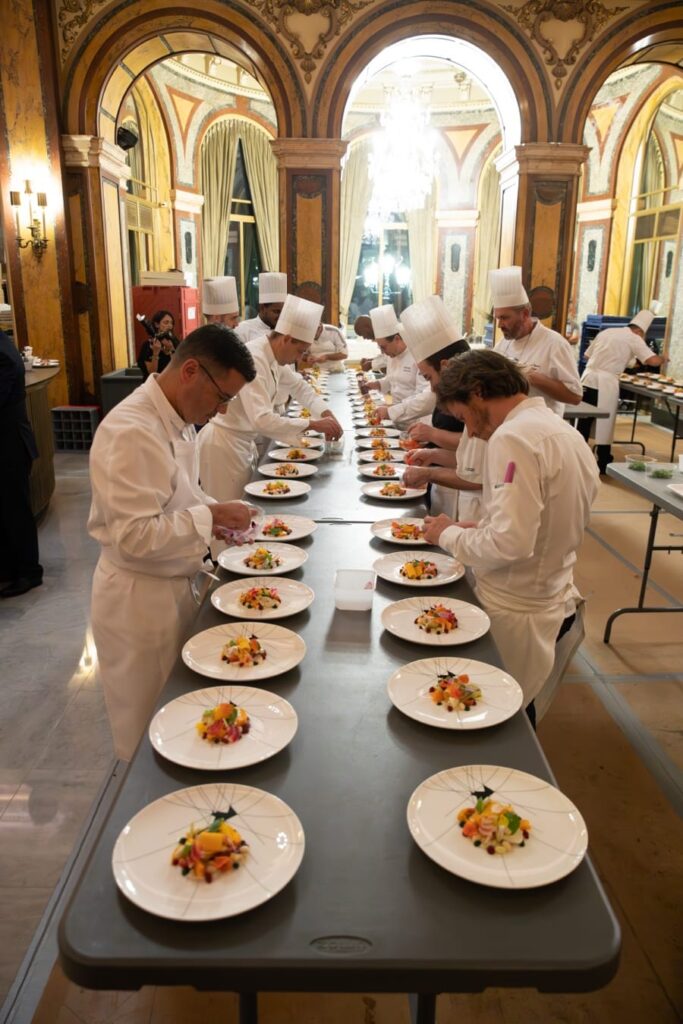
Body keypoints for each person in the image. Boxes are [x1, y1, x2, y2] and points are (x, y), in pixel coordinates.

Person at [88, 324, 257, 760]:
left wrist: (215, 511)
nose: (221, 411)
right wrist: (208, 517)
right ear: (191, 371)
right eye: (221, 397)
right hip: (138, 603)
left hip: (173, 582)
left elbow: (180, 495)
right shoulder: (132, 430)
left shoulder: (178, 418)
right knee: (146, 735)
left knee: (182, 720)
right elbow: (133, 536)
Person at [423, 349, 599, 719]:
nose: (470, 430)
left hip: (515, 606)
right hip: (548, 589)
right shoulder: (560, 430)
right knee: (516, 705)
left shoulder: (512, 437)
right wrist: (479, 528)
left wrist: (446, 536)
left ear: (478, 392)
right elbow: (544, 521)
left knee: (497, 714)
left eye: (462, 417)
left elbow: (511, 543)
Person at [198, 295, 344, 501]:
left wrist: (326, 413)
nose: (298, 359)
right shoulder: (256, 357)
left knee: (242, 513)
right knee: (227, 521)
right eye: (300, 351)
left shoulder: (271, 355)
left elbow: (299, 386)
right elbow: (262, 419)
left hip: (241, 444)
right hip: (224, 447)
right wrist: (314, 424)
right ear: (286, 339)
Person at [397, 296, 485, 520]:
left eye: (429, 377)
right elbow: (469, 456)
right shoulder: (457, 397)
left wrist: (432, 440)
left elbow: (478, 470)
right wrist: (432, 453)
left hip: (473, 509)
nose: (432, 387)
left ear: (445, 367)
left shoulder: (478, 405)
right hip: (449, 495)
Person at [578, 309, 666, 474]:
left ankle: (577, 458)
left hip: (587, 379)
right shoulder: (634, 338)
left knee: (584, 421)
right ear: (640, 331)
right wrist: (663, 358)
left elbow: (587, 355)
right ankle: (603, 463)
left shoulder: (608, 331)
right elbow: (652, 361)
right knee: (606, 424)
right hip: (606, 383)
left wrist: (623, 361)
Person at [489, 267, 582, 416]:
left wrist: (532, 377)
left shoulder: (554, 344)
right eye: (498, 318)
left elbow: (575, 397)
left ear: (525, 314)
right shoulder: (503, 344)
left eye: (505, 318)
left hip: (542, 426)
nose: (500, 325)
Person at [0, 329, 43, 597]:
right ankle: (11, 568)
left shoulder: (3, 355)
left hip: (9, 444)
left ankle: (29, 572)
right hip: (8, 441)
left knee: (15, 509)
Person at [362, 304, 429, 427]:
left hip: (415, 421)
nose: (382, 352)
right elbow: (393, 380)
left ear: (397, 339)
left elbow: (422, 396)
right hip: (395, 418)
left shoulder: (418, 356)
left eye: (383, 347)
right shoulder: (391, 355)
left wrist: (392, 410)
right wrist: (378, 384)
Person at [234, 272, 287, 344]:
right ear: (262, 308)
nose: (281, 316)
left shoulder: (287, 331)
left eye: (283, 312)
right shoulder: (243, 330)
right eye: (276, 312)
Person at [137, 310, 180, 380]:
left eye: (171, 323)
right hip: (153, 385)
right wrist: (155, 353)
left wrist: (171, 350)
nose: (170, 326)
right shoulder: (148, 345)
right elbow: (152, 373)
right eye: (166, 322)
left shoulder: (174, 341)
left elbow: (177, 367)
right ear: (157, 324)